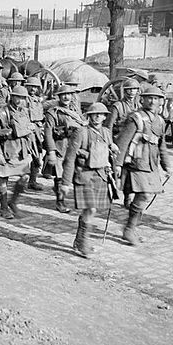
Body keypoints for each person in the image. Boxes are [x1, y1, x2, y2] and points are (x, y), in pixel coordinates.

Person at [115, 85, 173, 246]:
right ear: (142, 99)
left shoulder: (160, 120)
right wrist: (117, 164)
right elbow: (123, 142)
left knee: (145, 197)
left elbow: (161, 145)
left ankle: (131, 228)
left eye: (156, 98)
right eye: (149, 98)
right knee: (145, 196)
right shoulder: (136, 118)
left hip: (151, 164)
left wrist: (167, 165)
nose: (152, 101)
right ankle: (129, 229)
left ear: (161, 101)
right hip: (136, 162)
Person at [60, 103, 118, 258]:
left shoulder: (106, 132)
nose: (97, 117)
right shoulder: (81, 132)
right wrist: (65, 182)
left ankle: (79, 241)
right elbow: (70, 158)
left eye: (101, 114)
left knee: (92, 210)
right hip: (83, 175)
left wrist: (112, 153)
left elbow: (107, 152)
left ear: (105, 117)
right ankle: (84, 243)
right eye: (94, 114)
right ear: (89, 116)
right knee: (90, 209)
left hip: (100, 175)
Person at [0, 86, 39, 219]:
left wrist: (32, 129)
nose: (20, 100)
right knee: (3, 180)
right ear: (11, 97)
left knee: (25, 177)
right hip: (6, 150)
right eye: (17, 97)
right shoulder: (1, 114)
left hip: (21, 150)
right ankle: (4, 208)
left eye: (23, 98)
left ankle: (13, 202)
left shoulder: (25, 112)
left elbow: (29, 128)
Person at [43, 84, 85, 212]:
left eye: (68, 94)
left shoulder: (75, 110)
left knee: (77, 171)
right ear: (59, 97)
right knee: (60, 176)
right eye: (63, 95)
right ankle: (60, 202)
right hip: (60, 146)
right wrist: (51, 151)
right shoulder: (53, 112)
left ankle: (77, 198)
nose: (66, 97)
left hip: (74, 146)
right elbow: (48, 133)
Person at [104, 77, 141, 208]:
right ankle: (107, 193)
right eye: (128, 90)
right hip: (118, 140)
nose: (131, 92)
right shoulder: (117, 106)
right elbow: (108, 126)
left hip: (134, 143)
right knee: (115, 171)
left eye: (134, 90)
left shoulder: (139, 107)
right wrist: (110, 143)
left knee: (130, 171)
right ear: (124, 91)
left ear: (137, 91)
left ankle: (128, 197)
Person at [25, 77, 45, 191]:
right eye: (31, 86)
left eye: (35, 87)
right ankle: (21, 181)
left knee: (37, 155)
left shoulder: (38, 101)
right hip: (26, 131)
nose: (33, 89)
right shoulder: (23, 100)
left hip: (37, 131)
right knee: (22, 157)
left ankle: (32, 181)